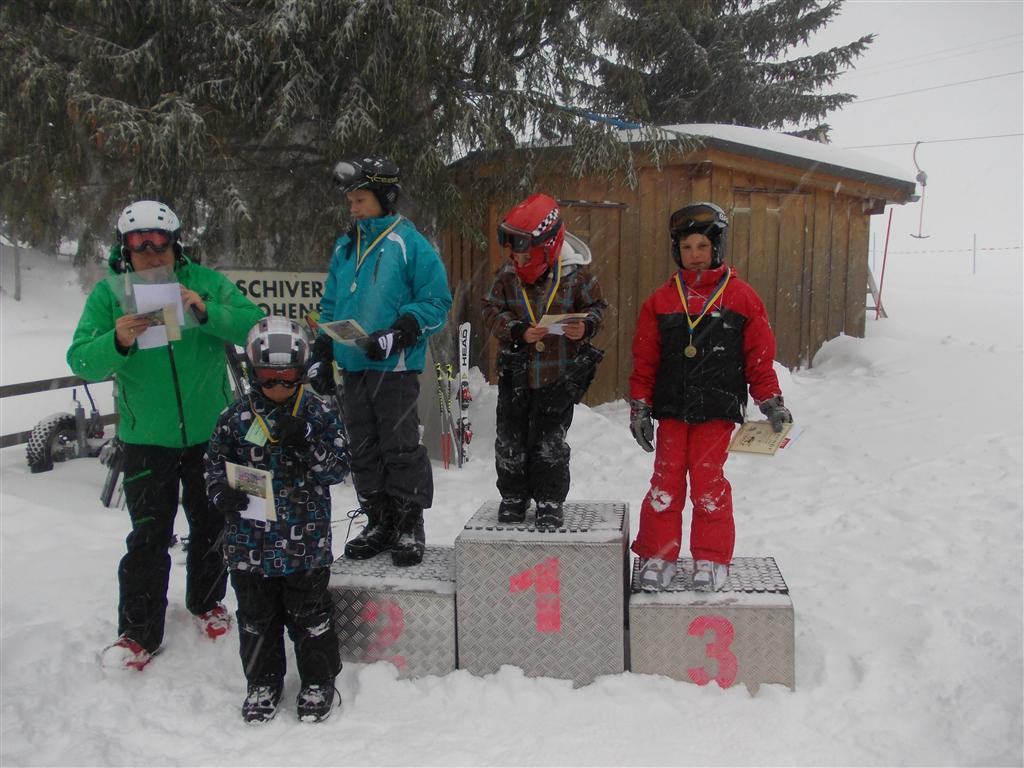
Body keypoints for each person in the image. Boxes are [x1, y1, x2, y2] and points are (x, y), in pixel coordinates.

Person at [67, 200, 264, 670]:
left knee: (213, 523)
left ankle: (207, 602)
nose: (151, 254)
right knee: (149, 535)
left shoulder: (205, 283)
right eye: (140, 246)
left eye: (160, 244)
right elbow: (80, 360)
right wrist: (117, 340)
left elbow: (254, 326)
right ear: (125, 249)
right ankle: (138, 632)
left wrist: (207, 311)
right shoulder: (109, 295)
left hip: (209, 434)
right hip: (145, 438)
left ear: (177, 245)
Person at [628, 201, 793, 592]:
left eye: (702, 246)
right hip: (672, 410)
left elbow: (759, 358)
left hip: (717, 410)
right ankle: (659, 554)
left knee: (708, 484)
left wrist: (770, 400)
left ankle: (711, 557)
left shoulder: (742, 297)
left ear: (717, 247)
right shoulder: (661, 301)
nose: (695, 255)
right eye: (687, 248)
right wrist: (640, 406)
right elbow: (645, 360)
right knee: (665, 482)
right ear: (677, 251)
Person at [204, 316, 349, 723]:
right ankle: (262, 682)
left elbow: (338, 469)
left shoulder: (318, 414)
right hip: (249, 546)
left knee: (311, 617)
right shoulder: (235, 418)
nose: (279, 388)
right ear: (253, 373)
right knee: (256, 620)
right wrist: (220, 493)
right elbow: (213, 466)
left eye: (288, 378)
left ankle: (318, 680)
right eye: (269, 378)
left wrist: (306, 440)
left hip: (305, 546)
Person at [311, 156, 452, 567]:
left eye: (360, 200)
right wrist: (323, 350)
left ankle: (408, 524)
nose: (353, 209)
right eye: (350, 202)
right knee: (363, 448)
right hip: (353, 366)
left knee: (399, 447)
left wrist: (400, 332)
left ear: (384, 197)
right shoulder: (346, 246)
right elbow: (331, 303)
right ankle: (378, 521)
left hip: (395, 369)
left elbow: (436, 302)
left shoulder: (411, 244)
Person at [481, 192, 607, 527]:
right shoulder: (506, 275)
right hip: (516, 374)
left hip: (558, 377)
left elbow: (598, 309)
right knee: (510, 439)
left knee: (550, 442)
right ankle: (513, 496)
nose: (517, 259)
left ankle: (549, 499)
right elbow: (490, 309)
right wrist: (516, 329)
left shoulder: (577, 276)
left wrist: (586, 326)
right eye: (513, 253)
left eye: (524, 253)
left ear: (548, 247)